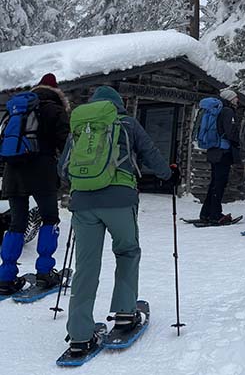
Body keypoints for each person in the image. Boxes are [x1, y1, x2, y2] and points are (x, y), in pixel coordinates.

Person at [58, 86, 177, 356]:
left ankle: (79, 335)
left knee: (86, 265)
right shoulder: (127, 124)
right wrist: (168, 176)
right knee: (126, 252)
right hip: (120, 200)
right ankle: (124, 313)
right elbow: (152, 155)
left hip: (83, 202)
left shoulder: (81, 127)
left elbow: (63, 169)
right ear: (117, 105)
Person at [0, 73, 70, 295]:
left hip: (14, 171)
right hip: (42, 171)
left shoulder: (15, 110)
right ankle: (45, 272)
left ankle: (5, 276)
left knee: (16, 224)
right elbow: (66, 144)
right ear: (56, 92)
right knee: (49, 219)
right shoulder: (55, 110)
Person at [199, 88, 240, 225]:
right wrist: (238, 141)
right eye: (235, 98)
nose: (237, 100)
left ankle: (206, 213)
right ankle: (216, 214)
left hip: (213, 150)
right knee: (219, 184)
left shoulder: (215, 110)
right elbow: (230, 132)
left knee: (214, 183)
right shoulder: (227, 111)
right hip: (223, 151)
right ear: (229, 99)